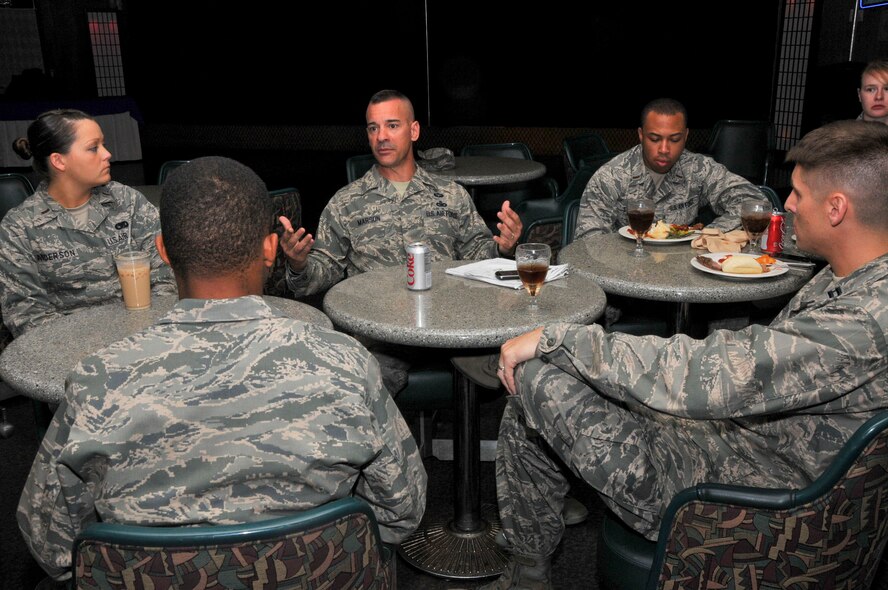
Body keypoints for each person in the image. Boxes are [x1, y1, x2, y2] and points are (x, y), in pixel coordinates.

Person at [483, 119, 888, 590]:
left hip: (755, 500)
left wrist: (560, 337)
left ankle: (529, 570)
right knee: (537, 382)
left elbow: (718, 373)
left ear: (837, 209)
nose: (788, 205)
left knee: (537, 376)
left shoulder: (868, 317)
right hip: (747, 446)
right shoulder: (855, 276)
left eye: (797, 194)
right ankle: (530, 565)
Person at [17, 156, 427, 584]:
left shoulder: (95, 382)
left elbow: (51, 543)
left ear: (162, 251)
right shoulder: (346, 363)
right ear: (270, 250)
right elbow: (403, 511)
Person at [0, 109, 175, 338]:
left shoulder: (126, 202)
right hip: (67, 350)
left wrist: (144, 331)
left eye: (103, 145)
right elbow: (27, 314)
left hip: (142, 335)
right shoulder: (20, 227)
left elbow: (166, 273)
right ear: (59, 161)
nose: (107, 154)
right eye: (94, 148)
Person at [574, 97, 765, 240]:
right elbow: (588, 243)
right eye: (654, 139)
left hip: (683, 276)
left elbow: (755, 203)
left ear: (686, 136)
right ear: (641, 135)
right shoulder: (611, 177)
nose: (664, 149)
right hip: (626, 275)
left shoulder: (698, 168)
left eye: (674, 140)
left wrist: (707, 237)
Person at [857, 58, 888, 125]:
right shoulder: (840, 134)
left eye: (887, 89)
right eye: (870, 90)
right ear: (859, 95)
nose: (879, 96)